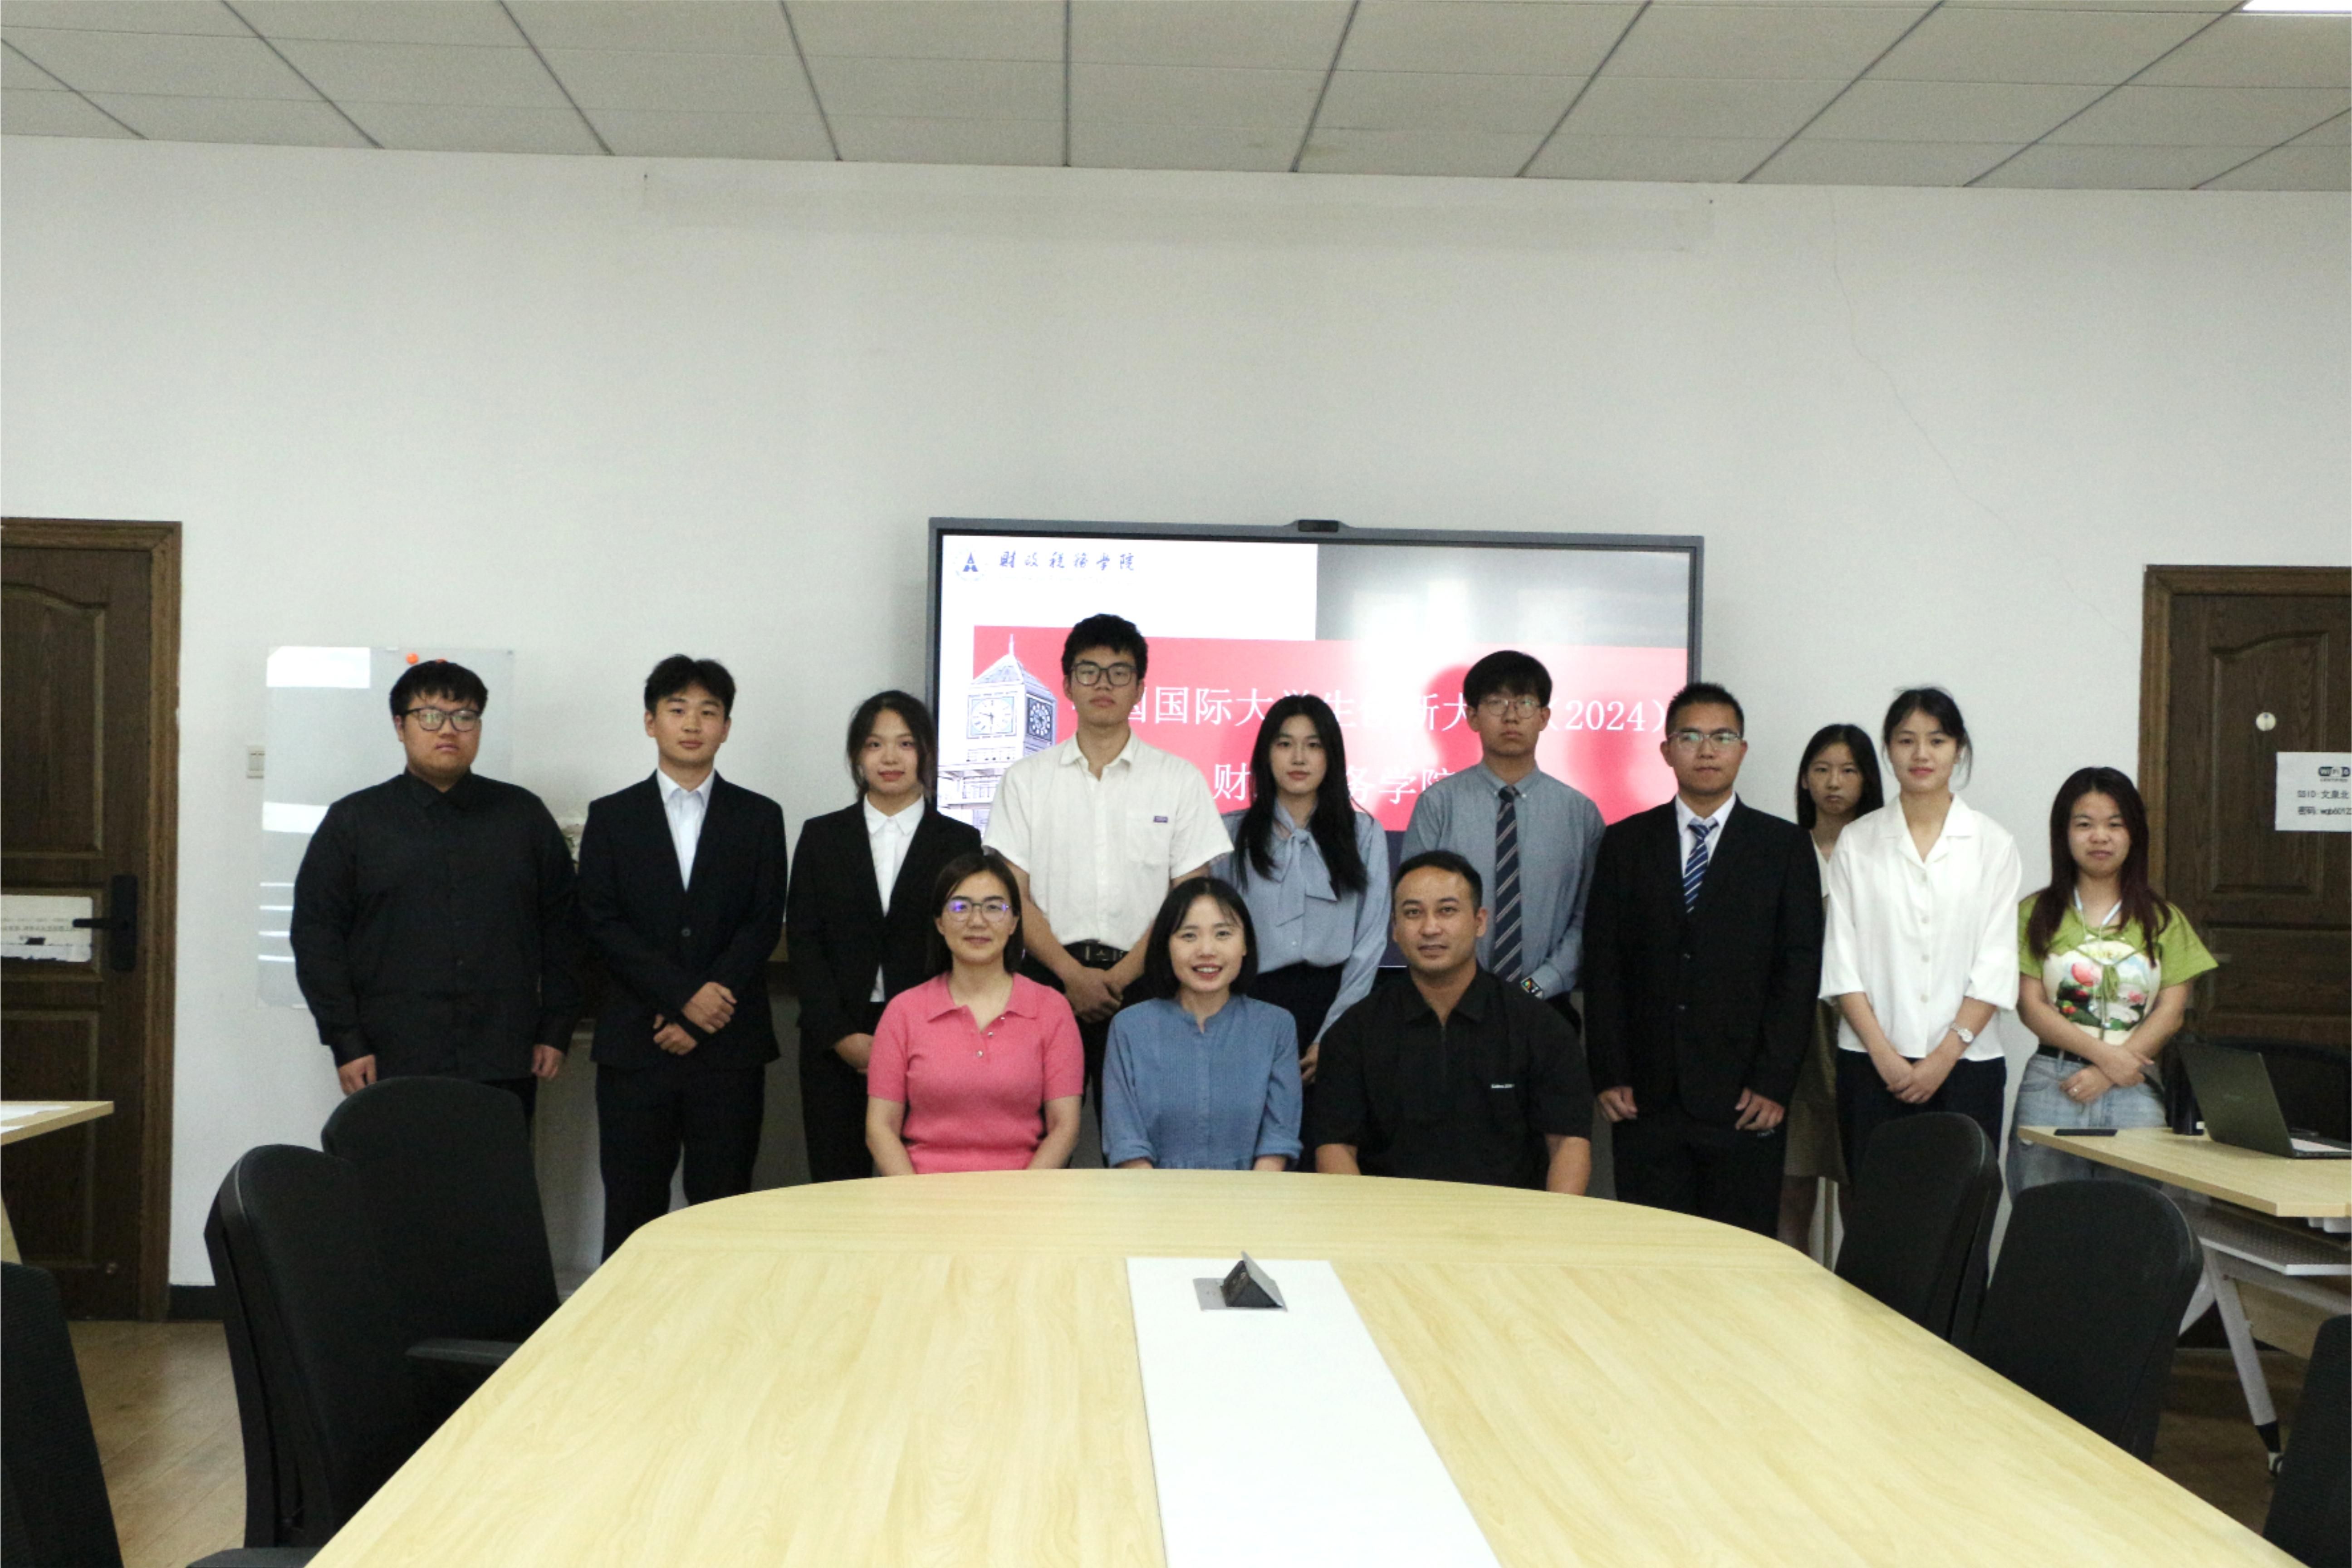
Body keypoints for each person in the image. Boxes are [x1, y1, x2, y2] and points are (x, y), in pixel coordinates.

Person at [291, 658, 581, 1125]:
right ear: (400, 726)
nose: (448, 729)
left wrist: (557, 1027)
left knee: (497, 1173)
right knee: (396, 1171)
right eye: (429, 716)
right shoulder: (354, 821)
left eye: (464, 716)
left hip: (504, 1053)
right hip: (391, 1055)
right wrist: (346, 1039)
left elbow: (564, 929)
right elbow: (317, 936)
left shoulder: (524, 816)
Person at [1585, 683, 1823, 1237]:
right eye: (1690, 737)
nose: (1707, 750)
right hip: (1646, 1095)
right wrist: (1610, 1072)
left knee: (1738, 1253)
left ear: (1743, 750)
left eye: (1723, 737)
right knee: (1651, 1251)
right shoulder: (1625, 843)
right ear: (1667, 750)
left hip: (1745, 1099)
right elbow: (1604, 965)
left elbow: (1797, 973)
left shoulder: (1784, 847)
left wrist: (1774, 1082)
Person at [577, 657, 787, 1258]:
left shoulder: (759, 817)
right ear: (651, 722)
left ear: (726, 727)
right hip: (637, 1045)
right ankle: (626, 1316)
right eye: (677, 710)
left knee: (724, 1206)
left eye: (708, 712)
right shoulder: (611, 817)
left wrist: (701, 1012)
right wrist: (682, 999)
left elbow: (762, 922)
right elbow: (602, 922)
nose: (692, 724)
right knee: (632, 1207)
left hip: (729, 1048)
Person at [983, 614, 1230, 1112]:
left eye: (1119, 673)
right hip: (1047, 984)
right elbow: (1011, 895)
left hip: (1150, 987)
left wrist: (1117, 979)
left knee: (1145, 1136)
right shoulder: (1025, 780)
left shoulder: (1179, 780)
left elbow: (1188, 901)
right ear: (1067, 684)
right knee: (1038, 1133)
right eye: (1088, 671)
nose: (1103, 684)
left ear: (1140, 689)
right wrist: (1072, 976)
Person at [1819, 688, 2022, 1172]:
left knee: (1960, 1207)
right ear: (1888, 751)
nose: (1921, 754)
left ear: (1959, 749)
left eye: (1937, 740)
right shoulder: (1858, 842)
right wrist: (1885, 1055)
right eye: (1906, 740)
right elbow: (1842, 959)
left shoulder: (1992, 844)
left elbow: (1996, 963)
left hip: (1967, 1067)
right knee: (1878, 1205)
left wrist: (1943, 1058)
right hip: (1871, 1064)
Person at [1314, 851, 1594, 1193]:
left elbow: (1568, 1142)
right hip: (1392, 1219)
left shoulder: (1539, 1027)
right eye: (1413, 913)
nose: (1430, 928)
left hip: (1511, 1220)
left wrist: (1553, 1225)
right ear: (1396, 929)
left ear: (1480, 921)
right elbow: (1336, 1146)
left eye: (1447, 911)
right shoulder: (1354, 1032)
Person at [787, 692, 980, 1182]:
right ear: (857, 755)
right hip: (837, 1036)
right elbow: (806, 941)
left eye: (905, 744)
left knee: (926, 1186)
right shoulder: (822, 837)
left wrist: (918, 1037)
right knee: (837, 1185)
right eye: (875, 745)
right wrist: (840, 1035)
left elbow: (964, 945)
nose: (890, 758)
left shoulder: (959, 842)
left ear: (926, 753)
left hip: (931, 1038)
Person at [2009, 768, 2215, 1195]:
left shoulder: (2164, 920)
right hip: (2053, 1082)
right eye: (2085, 824)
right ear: (2064, 834)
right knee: (2046, 1221)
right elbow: (2030, 1005)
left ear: (2134, 834)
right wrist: (2106, 1059)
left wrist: (2110, 1071)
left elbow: (2172, 1012)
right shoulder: (2034, 913)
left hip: (2134, 1087)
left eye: (2114, 825)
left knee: (2131, 1223)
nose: (2099, 837)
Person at [1400, 650, 1603, 1020]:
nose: (1511, 716)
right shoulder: (1438, 805)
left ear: (1544, 717)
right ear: (1472, 716)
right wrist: (1466, 990)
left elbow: (1589, 919)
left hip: (1547, 1007)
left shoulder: (1580, 814)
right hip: (1451, 1007)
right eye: (1496, 703)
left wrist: (1536, 988)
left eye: (1524, 703)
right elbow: (1414, 909)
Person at [1214, 694, 1389, 1103]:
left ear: (1332, 757)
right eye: (1284, 744)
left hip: (1337, 1002)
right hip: (1250, 1003)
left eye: (1314, 745)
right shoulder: (1231, 834)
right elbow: (1216, 936)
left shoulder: (1364, 835)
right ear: (1266, 754)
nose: (1299, 758)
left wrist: (1334, 1032)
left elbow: (1369, 943)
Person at [866, 850, 1083, 1175]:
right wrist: (912, 1197)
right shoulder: (904, 1012)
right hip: (924, 1192)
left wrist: (1024, 1197)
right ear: (939, 922)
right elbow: (880, 1128)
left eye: (994, 908)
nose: (977, 921)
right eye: (960, 907)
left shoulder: (1051, 1009)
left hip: (1024, 1193)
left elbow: (1065, 1127)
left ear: (1014, 922)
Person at [1101, 878, 1302, 1171]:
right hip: (1149, 1195)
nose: (1207, 950)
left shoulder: (1276, 1027)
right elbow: (1125, 1142)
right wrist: (1157, 1200)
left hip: (1254, 1194)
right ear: (1166, 945)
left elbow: (1278, 1140)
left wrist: (1254, 1198)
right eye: (1189, 936)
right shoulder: (1129, 1028)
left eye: (1223, 934)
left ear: (1245, 944)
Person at [1778, 723, 1884, 1249]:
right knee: (1791, 1182)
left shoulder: (1884, 853)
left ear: (1867, 780)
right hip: (1795, 1032)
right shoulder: (1782, 849)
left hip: (1864, 1028)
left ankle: (1853, 1290)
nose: (1834, 783)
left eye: (1848, 770)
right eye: (1821, 770)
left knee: (1860, 1183)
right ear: (1804, 779)